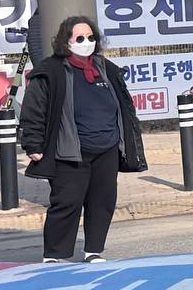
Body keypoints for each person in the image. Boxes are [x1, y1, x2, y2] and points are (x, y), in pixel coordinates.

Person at [17, 15, 144, 263]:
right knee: (66, 202)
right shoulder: (50, 70)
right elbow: (34, 110)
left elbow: (124, 106)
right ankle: (54, 254)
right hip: (70, 150)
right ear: (66, 41)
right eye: (80, 38)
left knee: (102, 201)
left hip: (107, 147)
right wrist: (33, 143)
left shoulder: (106, 69)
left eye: (91, 37)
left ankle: (93, 250)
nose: (87, 42)